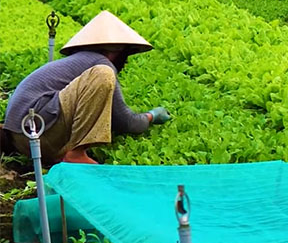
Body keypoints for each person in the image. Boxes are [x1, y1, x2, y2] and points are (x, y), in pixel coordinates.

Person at [1, 11, 170, 165]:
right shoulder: (100, 64)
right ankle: (76, 154)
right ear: (116, 50)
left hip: (25, 138)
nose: (125, 61)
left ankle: (67, 154)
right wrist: (152, 116)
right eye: (126, 54)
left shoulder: (78, 63)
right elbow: (127, 122)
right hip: (36, 132)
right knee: (103, 74)